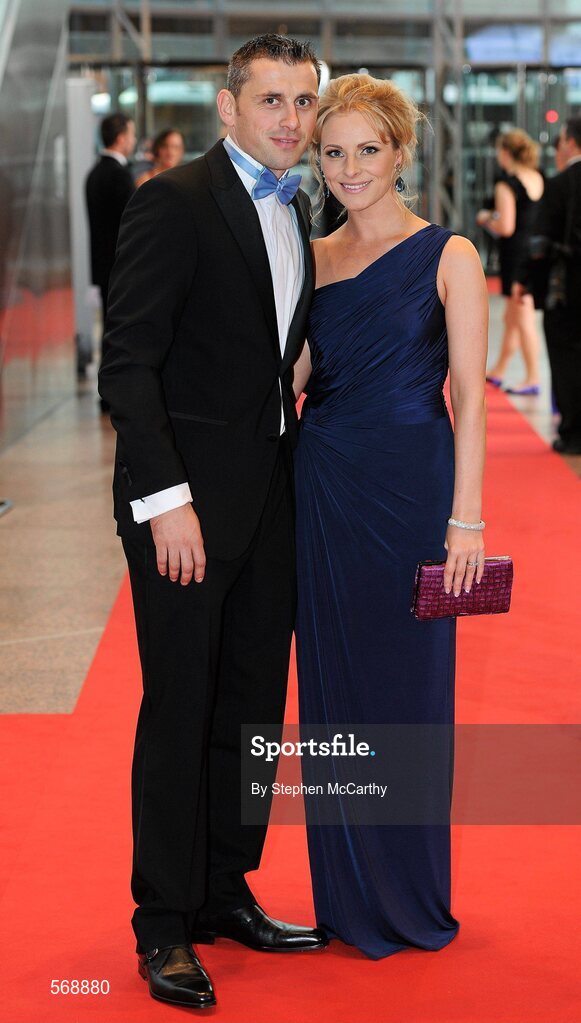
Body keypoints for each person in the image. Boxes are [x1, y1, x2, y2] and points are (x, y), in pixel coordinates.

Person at [98, 35, 327, 1010]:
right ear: (226, 105)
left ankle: (224, 890)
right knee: (180, 709)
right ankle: (161, 926)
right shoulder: (173, 201)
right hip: (184, 511)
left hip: (269, 494)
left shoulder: (298, 202)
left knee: (248, 712)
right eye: (269, 98)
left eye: (302, 101)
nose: (289, 117)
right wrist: (166, 504)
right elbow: (129, 365)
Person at [291, 73, 488, 959]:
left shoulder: (449, 253)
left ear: (400, 152)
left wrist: (467, 522)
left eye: (366, 149)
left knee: (408, 692)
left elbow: (472, 402)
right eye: (332, 152)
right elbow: (291, 376)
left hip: (413, 492)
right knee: (333, 693)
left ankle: (409, 891)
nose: (348, 168)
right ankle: (346, 895)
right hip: (324, 489)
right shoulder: (309, 254)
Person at [513, 116, 581, 454]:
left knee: (567, 358)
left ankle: (573, 434)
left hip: (568, 289)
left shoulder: (561, 185)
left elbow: (539, 242)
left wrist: (526, 281)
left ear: (570, 142)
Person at [476, 129, 544, 395]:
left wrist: (485, 218)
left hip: (516, 257)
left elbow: (505, 226)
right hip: (534, 253)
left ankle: (532, 377)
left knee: (523, 317)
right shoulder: (538, 177)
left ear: (505, 153)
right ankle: (500, 369)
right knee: (512, 317)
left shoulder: (507, 184)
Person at [85, 113, 136, 411]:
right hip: (119, 268)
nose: (132, 140)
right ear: (119, 138)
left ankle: (108, 391)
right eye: (130, 135)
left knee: (109, 328)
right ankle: (113, 393)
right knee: (117, 331)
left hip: (103, 267)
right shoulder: (117, 174)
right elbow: (130, 224)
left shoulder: (95, 173)